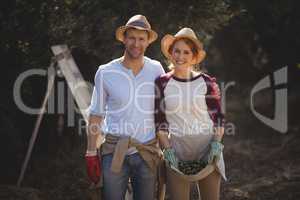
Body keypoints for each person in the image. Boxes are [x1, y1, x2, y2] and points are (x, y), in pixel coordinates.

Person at [85, 15, 165, 200]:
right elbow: (96, 114)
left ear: (147, 42)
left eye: (141, 39)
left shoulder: (156, 69)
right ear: (124, 39)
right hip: (114, 152)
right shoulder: (106, 72)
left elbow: (163, 111)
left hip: (147, 151)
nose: (136, 43)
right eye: (132, 37)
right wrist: (90, 152)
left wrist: (167, 146)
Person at [155, 27, 226, 200]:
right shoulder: (162, 83)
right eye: (177, 51)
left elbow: (219, 119)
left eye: (186, 52)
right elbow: (160, 123)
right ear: (171, 53)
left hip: (207, 150)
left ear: (194, 57)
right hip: (177, 153)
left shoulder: (207, 82)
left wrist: (216, 145)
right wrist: (168, 151)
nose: (180, 56)